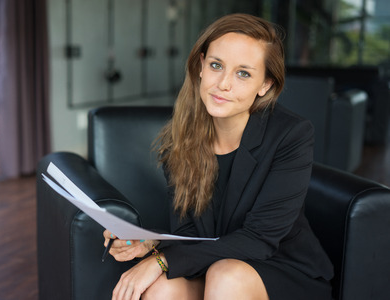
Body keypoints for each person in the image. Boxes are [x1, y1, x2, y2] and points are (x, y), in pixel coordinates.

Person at [103, 13, 334, 300]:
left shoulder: (291, 135)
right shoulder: (182, 139)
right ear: (201, 66)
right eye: (216, 65)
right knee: (162, 288)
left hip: (282, 268)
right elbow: (190, 230)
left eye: (243, 73)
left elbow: (259, 240)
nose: (223, 83)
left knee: (226, 276)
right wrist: (151, 241)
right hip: (216, 264)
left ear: (265, 85)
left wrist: (162, 260)